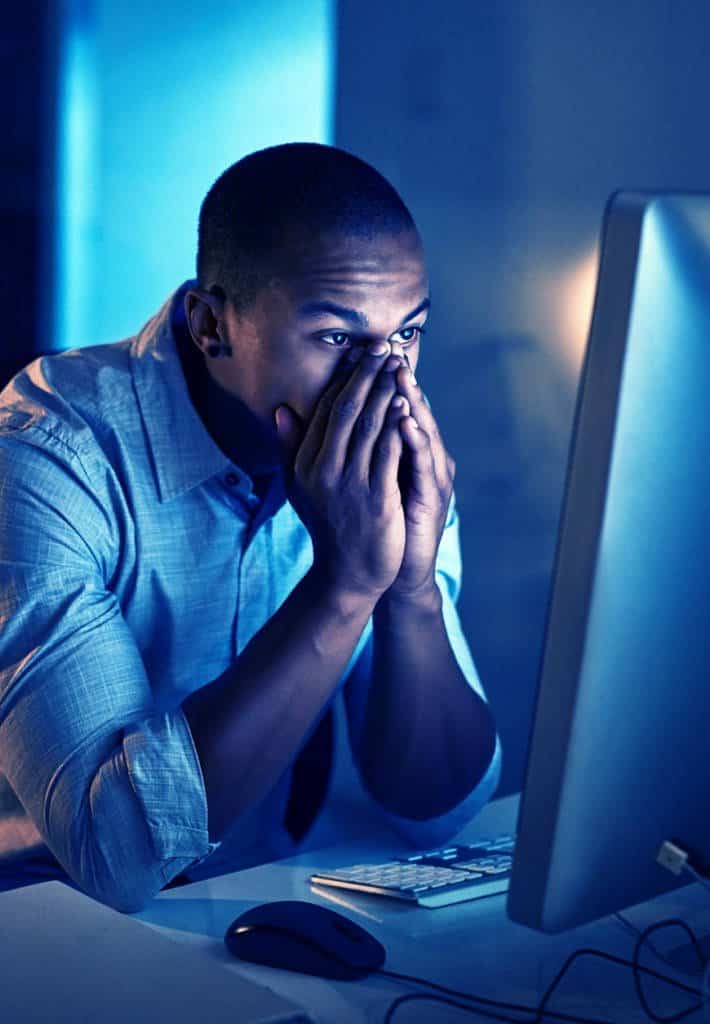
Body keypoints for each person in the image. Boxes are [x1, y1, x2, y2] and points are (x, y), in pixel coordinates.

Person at [0, 143, 501, 913]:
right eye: (336, 338)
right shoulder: (45, 454)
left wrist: (410, 589)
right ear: (211, 327)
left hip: (250, 908)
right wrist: (344, 585)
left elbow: (437, 809)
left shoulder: (386, 459)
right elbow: (118, 858)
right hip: (42, 924)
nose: (386, 381)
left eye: (407, 334)